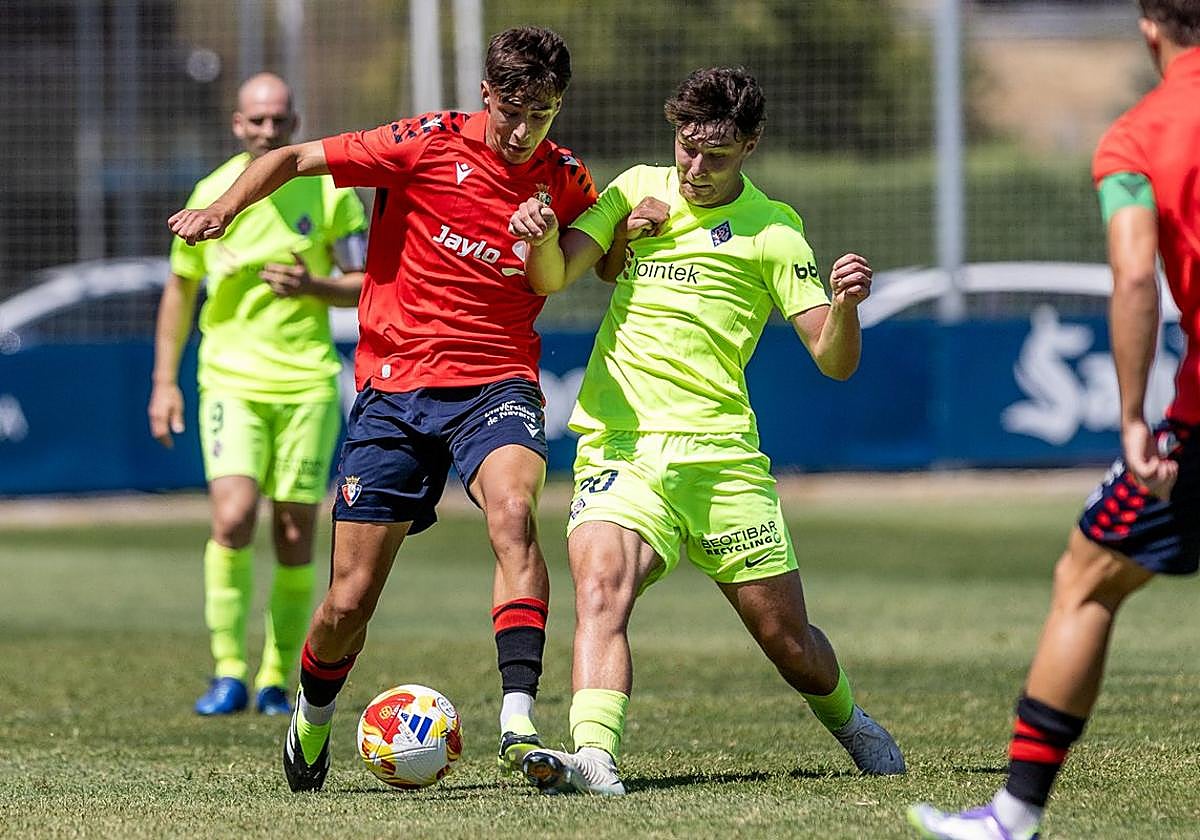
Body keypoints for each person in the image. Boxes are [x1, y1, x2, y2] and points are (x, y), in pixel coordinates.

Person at [168, 27, 598, 792]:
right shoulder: (422, 143)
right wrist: (226, 209)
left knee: (513, 515)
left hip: (497, 382)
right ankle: (312, 711)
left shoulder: (563, 177)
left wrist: (623, 224)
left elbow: (596, 254)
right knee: (348, 601)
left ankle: (518, 723)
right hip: (395, 393)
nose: (525, 130)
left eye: (545, 112)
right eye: (513, 111)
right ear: (486, 96)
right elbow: (291, 159)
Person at [506, 66, 905, 796]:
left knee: (790, 645)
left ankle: (850, 721)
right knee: (601, 590)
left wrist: (847, 307)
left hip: (721, 460)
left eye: (715, 154)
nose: (694, 168)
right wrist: (540, 237)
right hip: (621, 448)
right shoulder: (633, 189)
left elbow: (833, 360)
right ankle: (595, 758)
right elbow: (553, 276)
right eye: (686, 147)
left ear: (750, 145)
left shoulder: (776, 231)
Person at [908, 3, 1200, 837]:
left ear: (1151, 27)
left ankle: (1015, 813)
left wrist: (1135, 420)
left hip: (1197, 416)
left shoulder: (1137, 138)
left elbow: (1135, 279)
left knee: (1085, 580)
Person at [149, 72, 367, 718]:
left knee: (296, 532)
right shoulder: (210, 194)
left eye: (279, 120)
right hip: (231, 381)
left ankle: (277, 677)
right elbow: (179, 292)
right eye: (257, 121)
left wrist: (312, 286)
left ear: (293, 123)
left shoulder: (329, 195)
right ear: (238, 125)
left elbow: (363, 281)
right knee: (233, 515)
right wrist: (163, 381)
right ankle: (228, 671)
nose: (269, 130)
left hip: (304, 383)